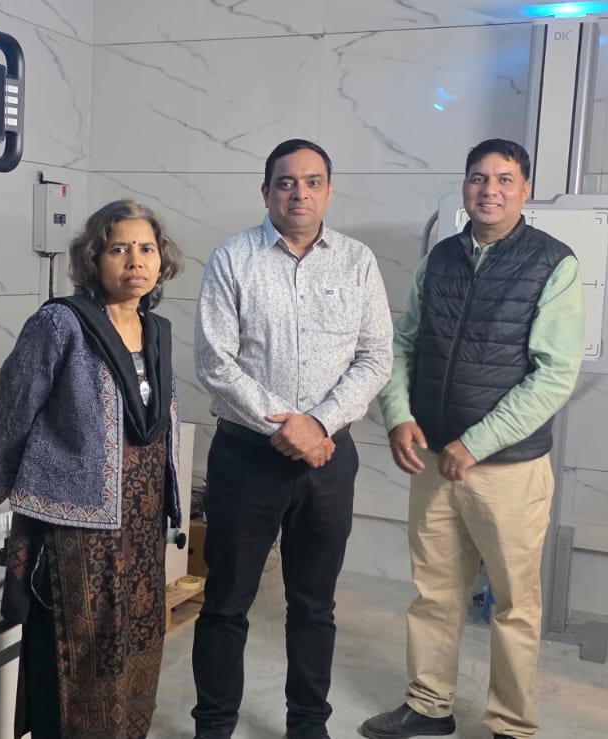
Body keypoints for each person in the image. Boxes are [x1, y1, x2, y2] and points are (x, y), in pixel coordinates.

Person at [360, 139, 584, 739]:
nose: (490, 190)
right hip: (433, 459)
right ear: (464, 187)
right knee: (434, 593)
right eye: (479, 178)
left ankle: (511, 725)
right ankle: (428, 706)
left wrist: (477, 443)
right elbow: (403, 344)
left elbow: (555, 374)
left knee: (514, 605)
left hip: (507, 470)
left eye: (505, 179)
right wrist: (398, 414)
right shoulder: (441, 258)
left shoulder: (553, 264)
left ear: (525, 190)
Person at [190, 138, 394, 739]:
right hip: (246, 457)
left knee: (314, 604)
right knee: (226, 601)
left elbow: (376, 356)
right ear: (266, 191)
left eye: (312, 182)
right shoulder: (233, 259)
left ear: (328, 191)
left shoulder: (357, 261)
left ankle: (308, 724)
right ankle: (213, 726)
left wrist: (319, 425)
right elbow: (215, 362)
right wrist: (289, 427)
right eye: (285, 182)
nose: (298, 193)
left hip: (329, 459)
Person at [0, 199, 186, 739]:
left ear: (161, 259)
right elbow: (13, 407)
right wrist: (12, 486)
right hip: (77, 527)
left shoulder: (156, 330)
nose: (135, 261)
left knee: (134, 642)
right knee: (78, 655)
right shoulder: (61, 323)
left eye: (146, 248)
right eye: (119, 248)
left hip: (140, 524)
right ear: (94, 258)